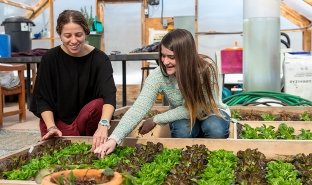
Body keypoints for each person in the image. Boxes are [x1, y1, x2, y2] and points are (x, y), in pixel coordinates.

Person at [94, 29, 230, 157]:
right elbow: (139, 107)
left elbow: (198, 108)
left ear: (186, 57)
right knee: (183, 131)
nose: (165, 62)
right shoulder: (159, 76)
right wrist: (114, 139)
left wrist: (155, 119)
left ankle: (211, 157)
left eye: (171, 57)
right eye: (163, 56)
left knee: (214, 128)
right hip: (185, 118)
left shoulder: (205, 70)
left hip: (212, 113)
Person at [30, 10, 116, 151]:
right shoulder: (49, 59)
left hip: (86, 123)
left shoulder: (100, 59)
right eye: (67, 36)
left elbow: (109, 96)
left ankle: (91, 142)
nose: (74, 40)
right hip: (57, 123)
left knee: (98, 105)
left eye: (78, 35)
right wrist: (51, 127)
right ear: (60, 35)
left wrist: (104, 124)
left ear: (86, 33)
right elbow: (42, 99)